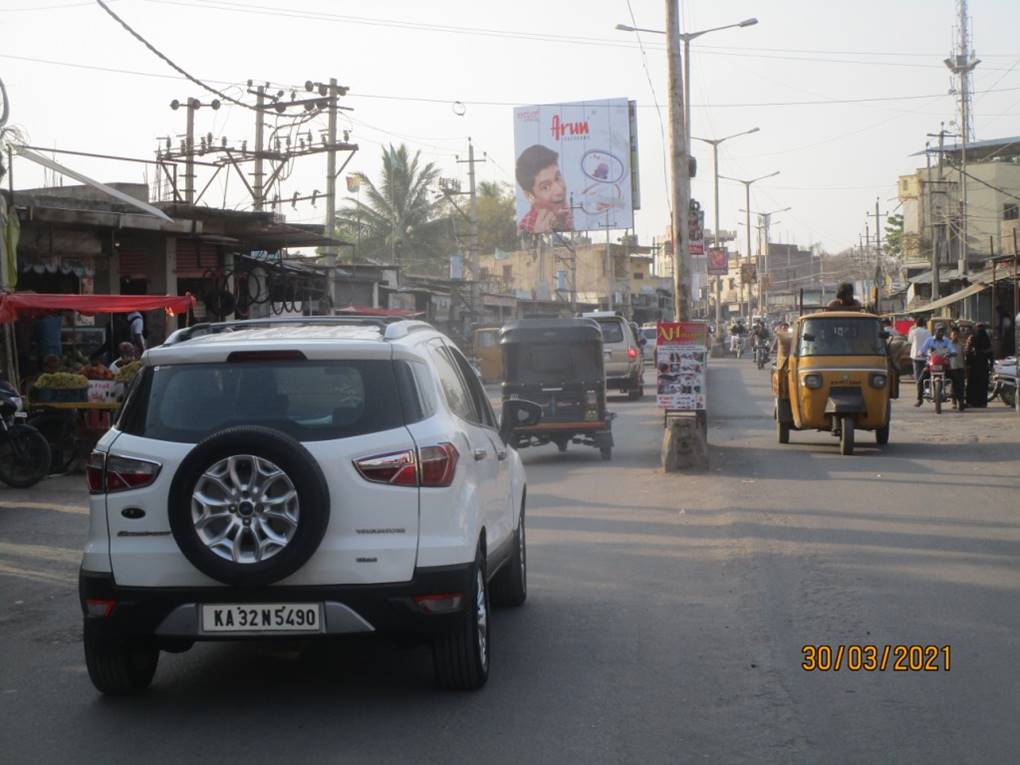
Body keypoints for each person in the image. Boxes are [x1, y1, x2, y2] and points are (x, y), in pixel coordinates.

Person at [515, 145, 573, 235]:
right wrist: (537, 235)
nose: (559, 190)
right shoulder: (526, 229)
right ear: (530, 195)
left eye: (557, 178)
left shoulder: (570, 212)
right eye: (545, 187)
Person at [919, 325, 958, 411]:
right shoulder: (929, 340)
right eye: (939, 331)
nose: (940, 333)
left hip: (944, 365)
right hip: (930, 364)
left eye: (942, 331)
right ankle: (920, 399)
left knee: (955, 379)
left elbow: (953, 350)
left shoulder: (946, 341)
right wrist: (921, 353)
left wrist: (952, 353)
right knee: (921, 379)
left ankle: (954, 401)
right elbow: (922, 350)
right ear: (935, 331)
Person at [964, 323, 994, 408]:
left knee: (973, 384)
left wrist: (967, 363)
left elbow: (967, 351)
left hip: (974, 365)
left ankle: (971, 402)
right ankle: (982, 402)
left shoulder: (972, 338)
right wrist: (991, 365)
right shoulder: (987, 339)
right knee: (983, 384)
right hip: (983, 365)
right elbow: (991, 354)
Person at [908, 317, 932, 406]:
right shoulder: (928, 332)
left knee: (918, 379)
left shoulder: (913, 332)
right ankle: (927, 392)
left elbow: (909, 341)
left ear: (916, 324)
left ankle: (920, 399)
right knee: (927, 377)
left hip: (916, 357)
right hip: (926, 357)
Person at [947, 327, 967, 410]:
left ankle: (961, 402)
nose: (955, 336)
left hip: (960, 367)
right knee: (954, 386)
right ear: (951, 335)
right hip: (952, 368)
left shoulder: (961, 345)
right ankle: (954, 402)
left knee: (961, 386)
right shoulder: (948, 345)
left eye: (957, 334)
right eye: (954, 334)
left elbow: (963, 356)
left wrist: (965, 367)